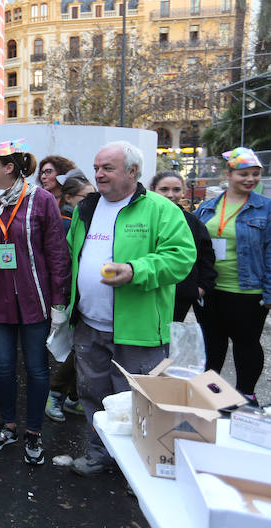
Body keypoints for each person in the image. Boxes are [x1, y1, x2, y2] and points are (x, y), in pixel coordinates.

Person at [67, 141, 195, 476]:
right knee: (93, 396)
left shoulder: (160, 209)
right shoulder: (87, 208)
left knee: (140, 402)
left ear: (132, 172)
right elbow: (72, 255)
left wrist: (135, 270)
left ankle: (139, 466)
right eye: (96, 168)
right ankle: (99, 453)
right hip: (90, 325)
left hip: (138, 330)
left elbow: (180, 258)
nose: (98, 174)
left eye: (107, 168)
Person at [0, 140, 70, 464]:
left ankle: (34, 433)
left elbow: (57, 254)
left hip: (35, 302)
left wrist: (59, 303)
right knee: (4, 368)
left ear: (8, 167)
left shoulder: (43, 201)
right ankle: (8, 426)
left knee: (37, 370)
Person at [193, 148, 270, 406]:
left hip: (247, 291)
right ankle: (213, 397)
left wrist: (269, 293)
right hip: (210, 289)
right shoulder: (207, 207)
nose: (250, 179)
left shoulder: (265, 209)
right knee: (212, 345)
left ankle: (246, 395)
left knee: (246, 344)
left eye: (256, 174)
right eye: (243, 174)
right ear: (228, 175)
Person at [44, 172, 96, 423]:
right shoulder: (66, 222)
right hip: (73, 296)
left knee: (84, 351)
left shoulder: (89, 218)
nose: (93, 200)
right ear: (69, 198)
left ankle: (73, 397)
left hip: (87, 296)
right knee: (77, 349)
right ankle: (56, 394)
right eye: (86, 196)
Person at [150, 170, 217, 322]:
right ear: (153, 190)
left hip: (180, 297)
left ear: (183, 192)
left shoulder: (193, 222)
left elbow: (205, 257)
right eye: (164, 189)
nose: (170, 194)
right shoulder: (142, 218)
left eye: (176, 190)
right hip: (145, 291)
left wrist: (201, 288)